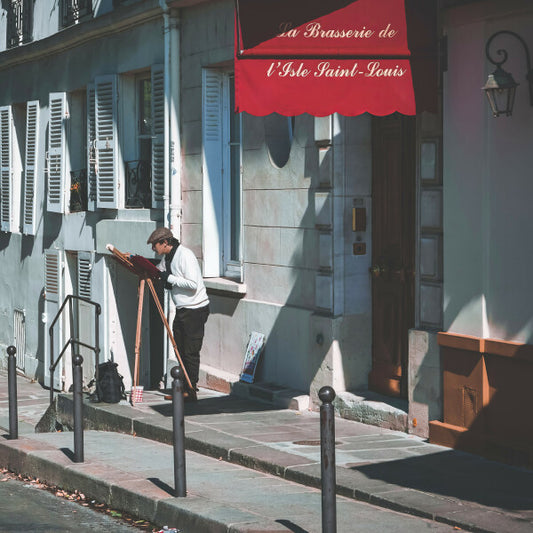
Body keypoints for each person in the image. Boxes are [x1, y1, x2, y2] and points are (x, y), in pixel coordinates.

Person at [147, 227, 210, 401]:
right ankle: (183, 388)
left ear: (165, 242)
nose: (153, 249)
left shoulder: (185, 256)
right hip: (183, 309)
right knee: (179, 349)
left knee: (190, 351)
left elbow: (193, 284)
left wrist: (169, 278)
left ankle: (191, 391)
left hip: (195, 309)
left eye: (154, 245)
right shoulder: (168, 257)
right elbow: (161, 271)